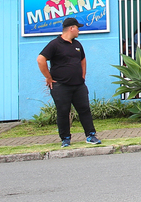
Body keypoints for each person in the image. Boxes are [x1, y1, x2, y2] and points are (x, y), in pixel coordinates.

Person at [37, 16, 101, 148]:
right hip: (61, 86)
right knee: (63, 111)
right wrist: (48, 77)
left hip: (78, 86)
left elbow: (83, 60)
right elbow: (40, 59)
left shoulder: (77, 44)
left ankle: (91, 135)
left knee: (84, 110)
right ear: (71, 28)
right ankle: (65, 138)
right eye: (77, 28)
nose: (79, 31)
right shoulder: (55, 44)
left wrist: (83, 76)